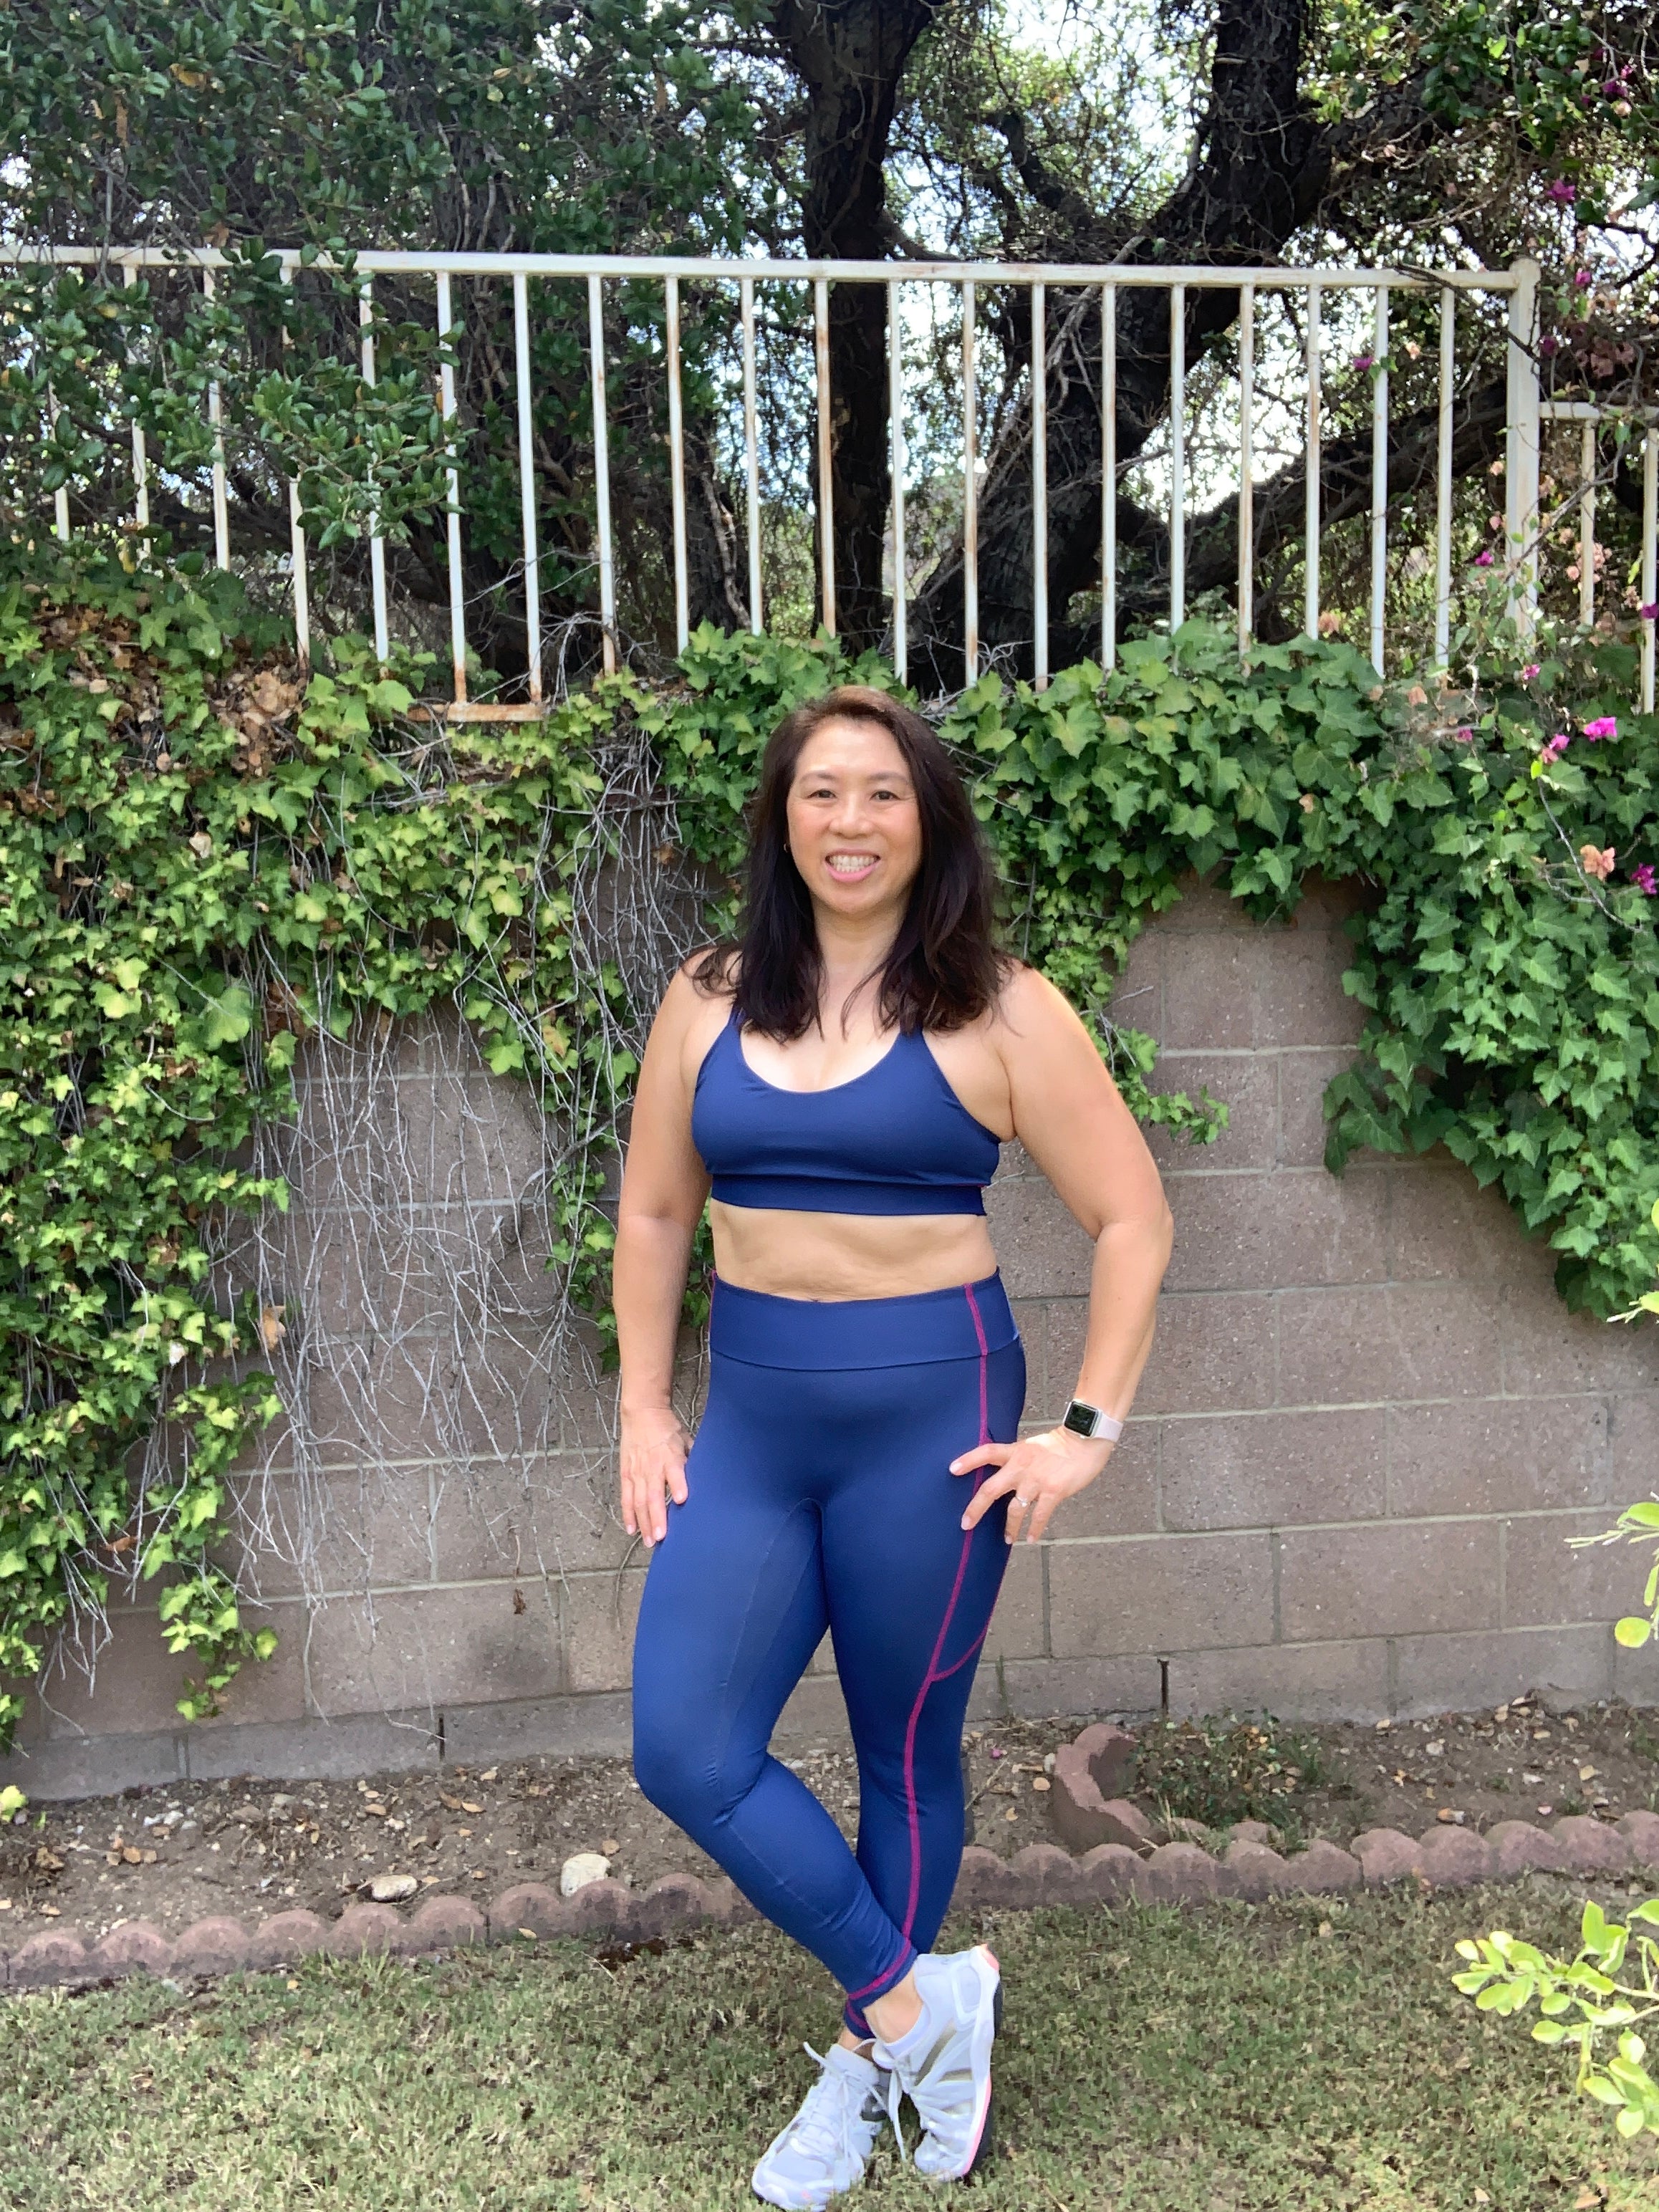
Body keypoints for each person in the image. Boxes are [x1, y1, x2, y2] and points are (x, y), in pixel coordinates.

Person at [614, 685, 1172, 2206]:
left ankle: (867, 2069)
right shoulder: (707, 997)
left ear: (928, 823)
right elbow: (656, 1210)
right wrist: (646, 1404)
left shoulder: (1001, 1006)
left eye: (882, 794)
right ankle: (926, 2008)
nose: (849, 821)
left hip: (933, 1418)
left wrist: (1084, 1433)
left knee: (900, 1750)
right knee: (686, 1745)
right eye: (821, 792)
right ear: (781, 819)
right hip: (758, 1417)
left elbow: (1133, 1216)